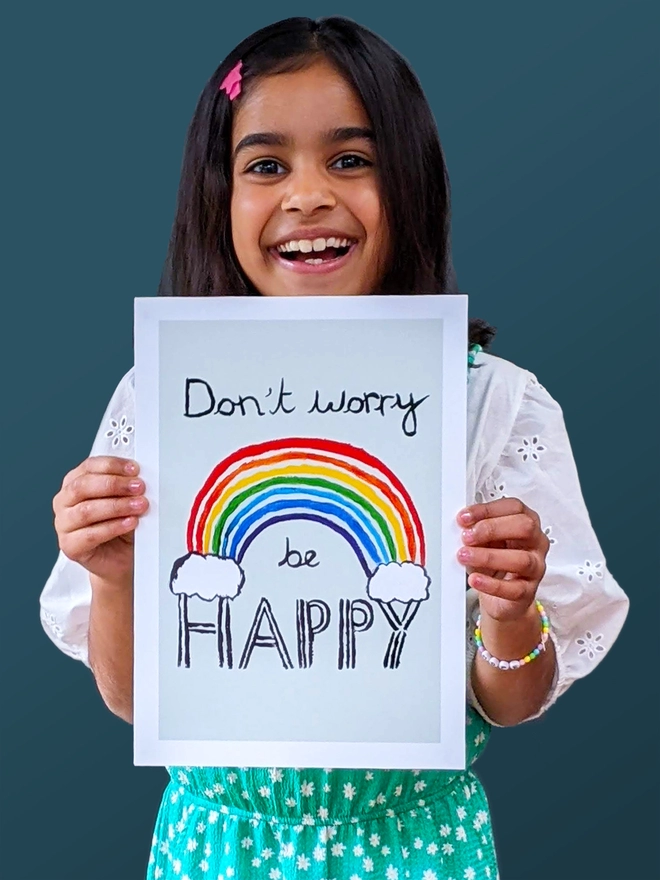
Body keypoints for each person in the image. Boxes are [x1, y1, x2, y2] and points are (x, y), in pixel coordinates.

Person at [40, 17, 629, 880]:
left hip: (416, 846)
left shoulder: (491, 404)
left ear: (413, 183)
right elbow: (133, 700)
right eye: (266, 164)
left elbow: (508, 703)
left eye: (351, 160)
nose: (307, 194)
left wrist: (510, 609)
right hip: (218, 847)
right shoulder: (158, 402)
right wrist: (114, 573)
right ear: (219, 196)